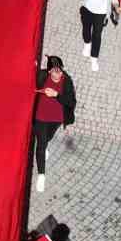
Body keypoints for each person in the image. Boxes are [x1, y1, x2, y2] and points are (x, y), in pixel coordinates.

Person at [30, 56, 75, 194]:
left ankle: (45, 146)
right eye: (55, 71)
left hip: (57, 118)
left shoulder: (67, 81)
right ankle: (41, 175)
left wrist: (56, 95)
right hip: (40, 117)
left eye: (60, 70)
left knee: (47, 138)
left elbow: (71, 102)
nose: (59, 74)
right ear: (49, 71)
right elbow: (31, 80)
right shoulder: (42, 76)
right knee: (41, 144)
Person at [79, 0, 115, 72]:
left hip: (100, 14)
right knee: (86, 29)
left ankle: (94, 59)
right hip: (87, 9)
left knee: (97, 35)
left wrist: (117, 7)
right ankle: (87, 44)